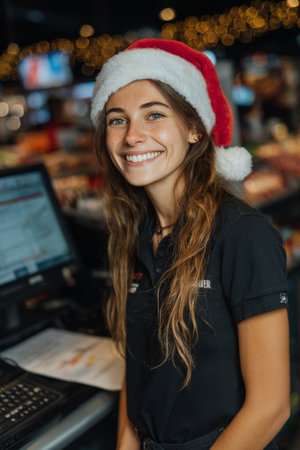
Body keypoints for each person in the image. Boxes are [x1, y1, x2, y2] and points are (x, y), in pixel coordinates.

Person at [90, 39, 291, 450]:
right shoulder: (135, 233)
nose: (133, 136)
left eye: (155, 115)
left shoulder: (242, 234)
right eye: (117, 120)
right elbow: (138, 370)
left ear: (195, 127)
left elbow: (270, 407)